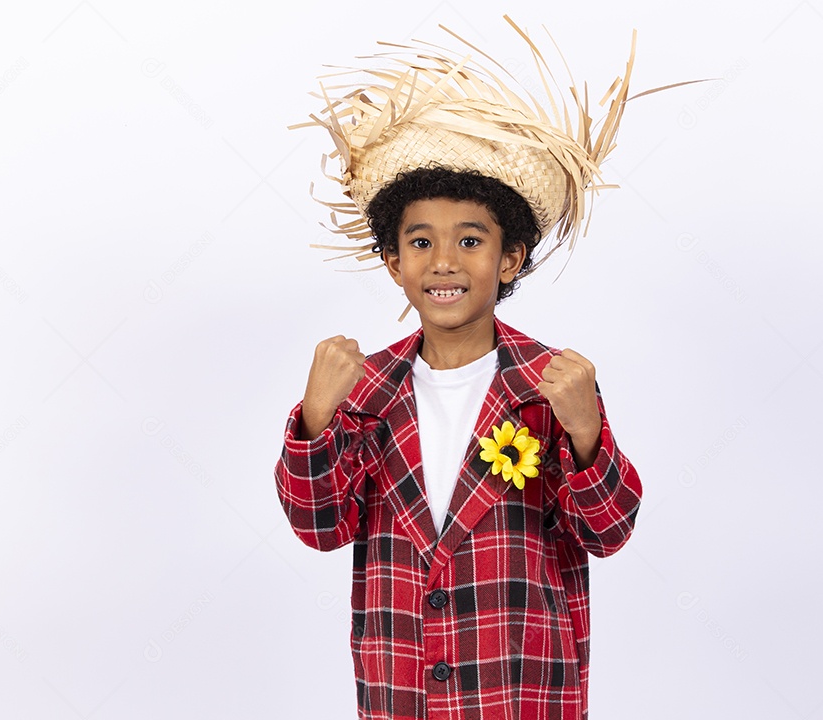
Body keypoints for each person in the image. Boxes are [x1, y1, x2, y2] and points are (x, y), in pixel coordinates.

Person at [274, 17, 687, 719]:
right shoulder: (364, 390)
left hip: (521, 693)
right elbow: (321, 528)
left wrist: (587, 434)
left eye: (470, 240)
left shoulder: (549, 386)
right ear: (394, 261)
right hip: (401, 694)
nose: (445, 262)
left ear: (509, 258)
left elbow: (609, 531)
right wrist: (315, 419)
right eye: (421, 241)